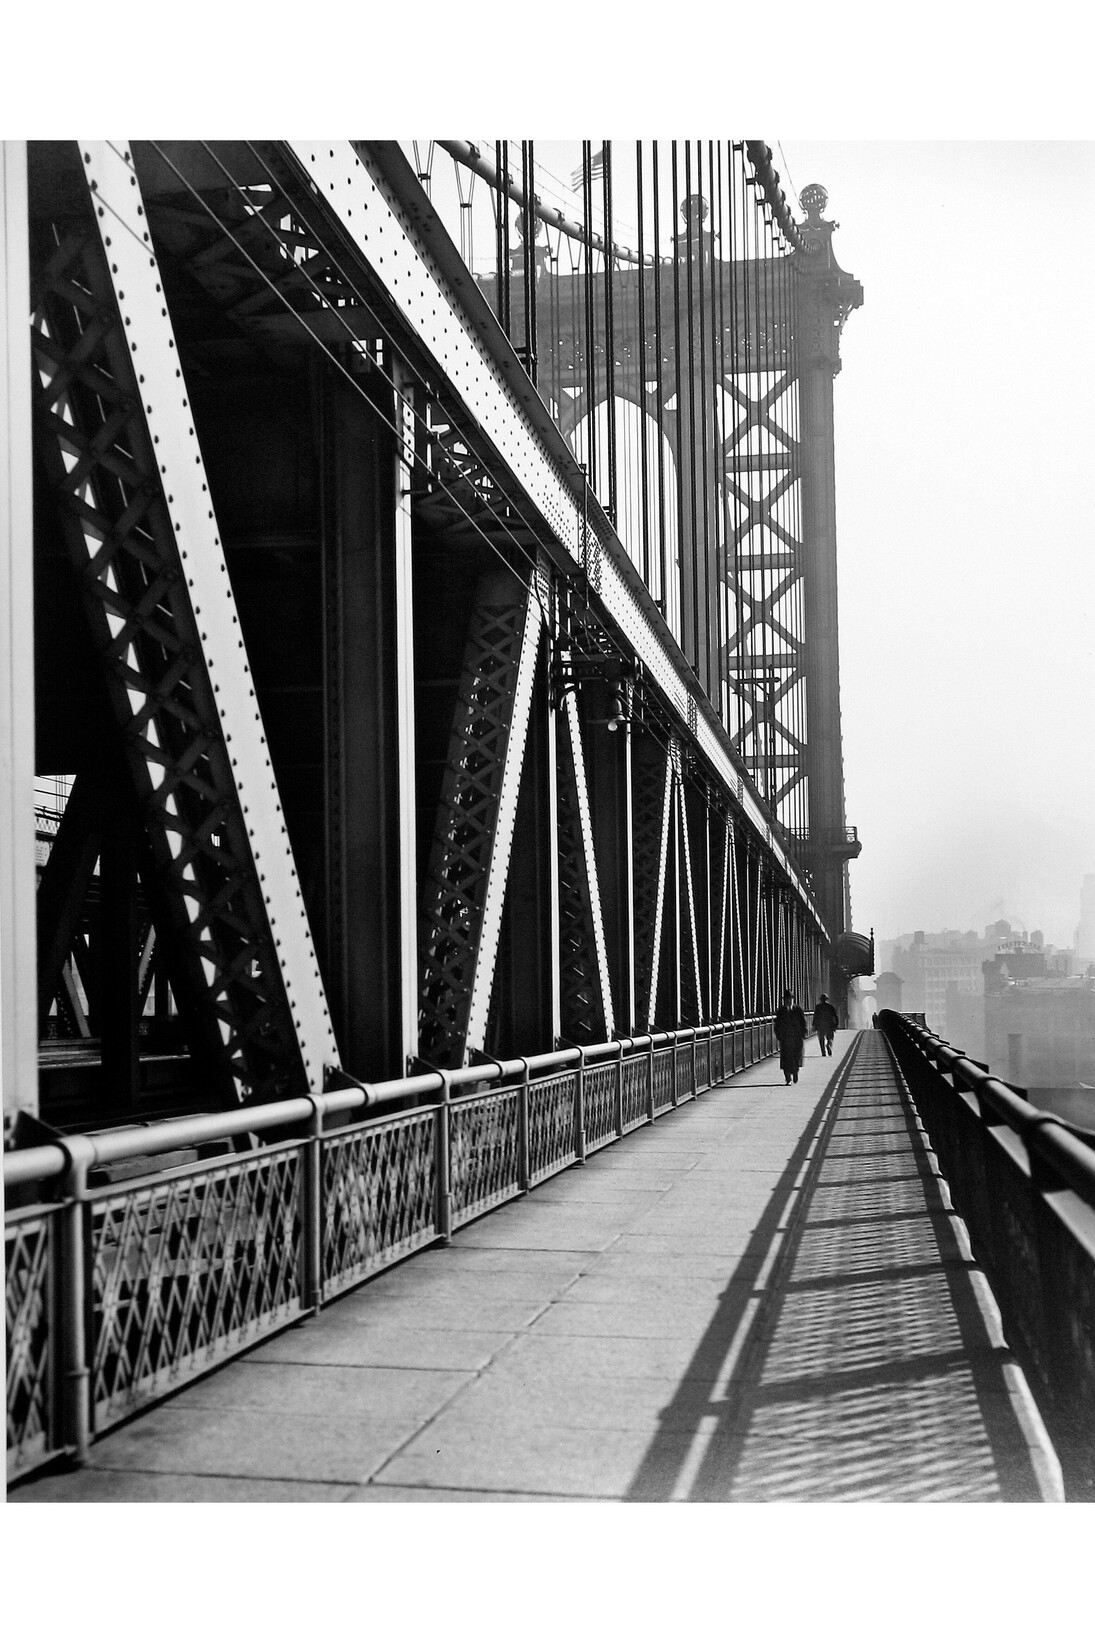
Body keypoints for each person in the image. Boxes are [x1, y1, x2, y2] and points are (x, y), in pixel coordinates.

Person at [773, 990, 808, 1085]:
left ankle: (795, 1071)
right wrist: (779, 1035)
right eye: (787, 999)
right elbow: (777, 1024)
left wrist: (804, 1033)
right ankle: (788, 1078)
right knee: (785, 1058)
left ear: (793, 999)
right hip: (785, 1038)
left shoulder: (798, 1009)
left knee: (796, 1057)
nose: (789, 1001)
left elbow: (803, 1022)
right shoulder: (781, 1011)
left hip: (797, 1038)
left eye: (790, 999)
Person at [812, 993, 839, 1057]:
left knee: (821, 1039)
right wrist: (836, 1024)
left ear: (821, 1000)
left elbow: (815, 1016)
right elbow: (835, 1016)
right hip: (829, 1025)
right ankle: (829, 1045)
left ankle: (823, 1052)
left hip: (820, 1025)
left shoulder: (818, 1007)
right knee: (830, 1037)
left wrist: (814, 1025)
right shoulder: (831, 1006)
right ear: (827, 999)